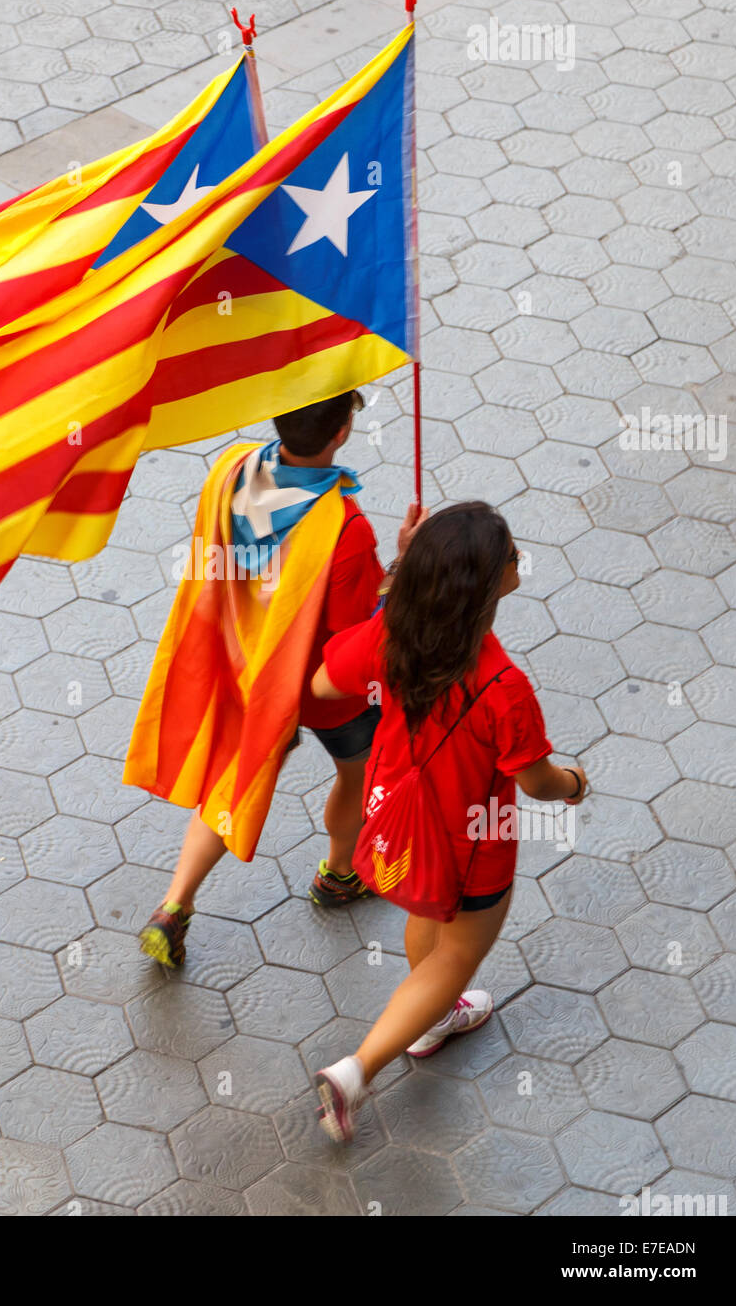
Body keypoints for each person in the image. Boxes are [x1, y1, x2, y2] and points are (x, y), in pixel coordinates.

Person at [310, 501, 588, 1143]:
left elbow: (326, 683)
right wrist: (575, 784)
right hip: (473, 844)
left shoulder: (392, 636)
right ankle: (356, 1071)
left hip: (400, 826)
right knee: (457, 954)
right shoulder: (504, 687)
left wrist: (394, 581)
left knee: (427, 920)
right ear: (489, 586)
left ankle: (433, 1019)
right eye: (512, 557)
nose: (518, 562)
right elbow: (537, 781)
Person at [124, 389, 426, 968]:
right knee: (356, 774)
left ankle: (174, 906)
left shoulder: (233, 467)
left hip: (247, 667)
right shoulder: (344, 526)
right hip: (321, 693)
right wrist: (401, 567)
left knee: (234, 780)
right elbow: (353, 635)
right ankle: (339, 876)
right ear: (340, 434)